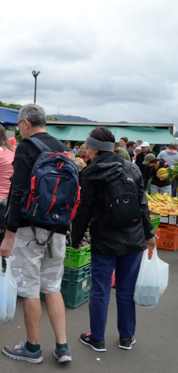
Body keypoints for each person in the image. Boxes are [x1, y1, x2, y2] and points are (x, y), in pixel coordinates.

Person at [71, 126, 156, 353]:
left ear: (95, 149)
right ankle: (126, 338)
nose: (86, 150)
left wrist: (75, 239)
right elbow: (142, 206)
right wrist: (149, 235)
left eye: (88, 146)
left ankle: (97, 339)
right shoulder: (133, 168)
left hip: (104, 240)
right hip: (133, 238)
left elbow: (84, 210)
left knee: (100, 290)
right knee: (126, 291)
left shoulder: (90, 173)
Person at [0, 104, 72, 364]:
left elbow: (18, 192)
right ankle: (63, 347)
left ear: (26, 123)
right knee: (52, 287)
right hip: (59, 229)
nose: (19, 130)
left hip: (30, 230)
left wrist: (9, 235)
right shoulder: (63, 148)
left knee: (30, 289)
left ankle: (32, 349)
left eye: (19, 125)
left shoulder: (27, 148)